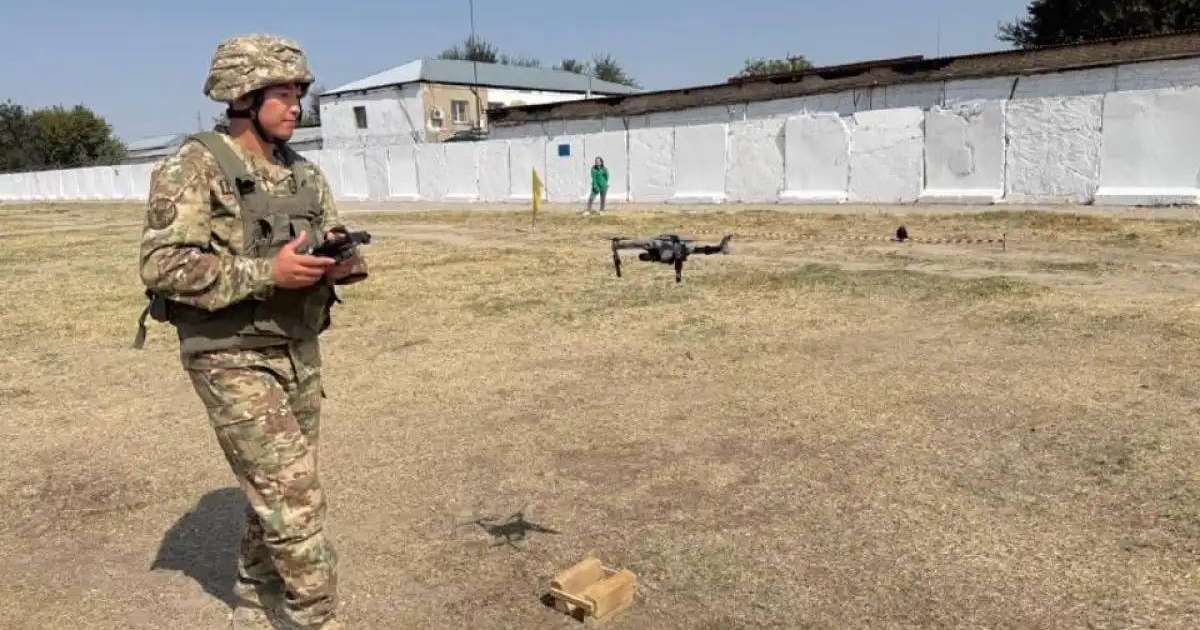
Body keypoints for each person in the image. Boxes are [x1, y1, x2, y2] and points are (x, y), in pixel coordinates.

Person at [135, 33, 367, 630]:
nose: (296, 106)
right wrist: (270, 271)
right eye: (283, 95)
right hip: (229, 355)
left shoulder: (303, 172)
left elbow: (331, 233)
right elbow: (163, 266)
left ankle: (251, 594)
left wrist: (340, 261)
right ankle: (313, 618)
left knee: (280, 491)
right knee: (296, 502)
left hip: (296, 347)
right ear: (243, 97)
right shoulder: (195, 165)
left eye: (299, 94)